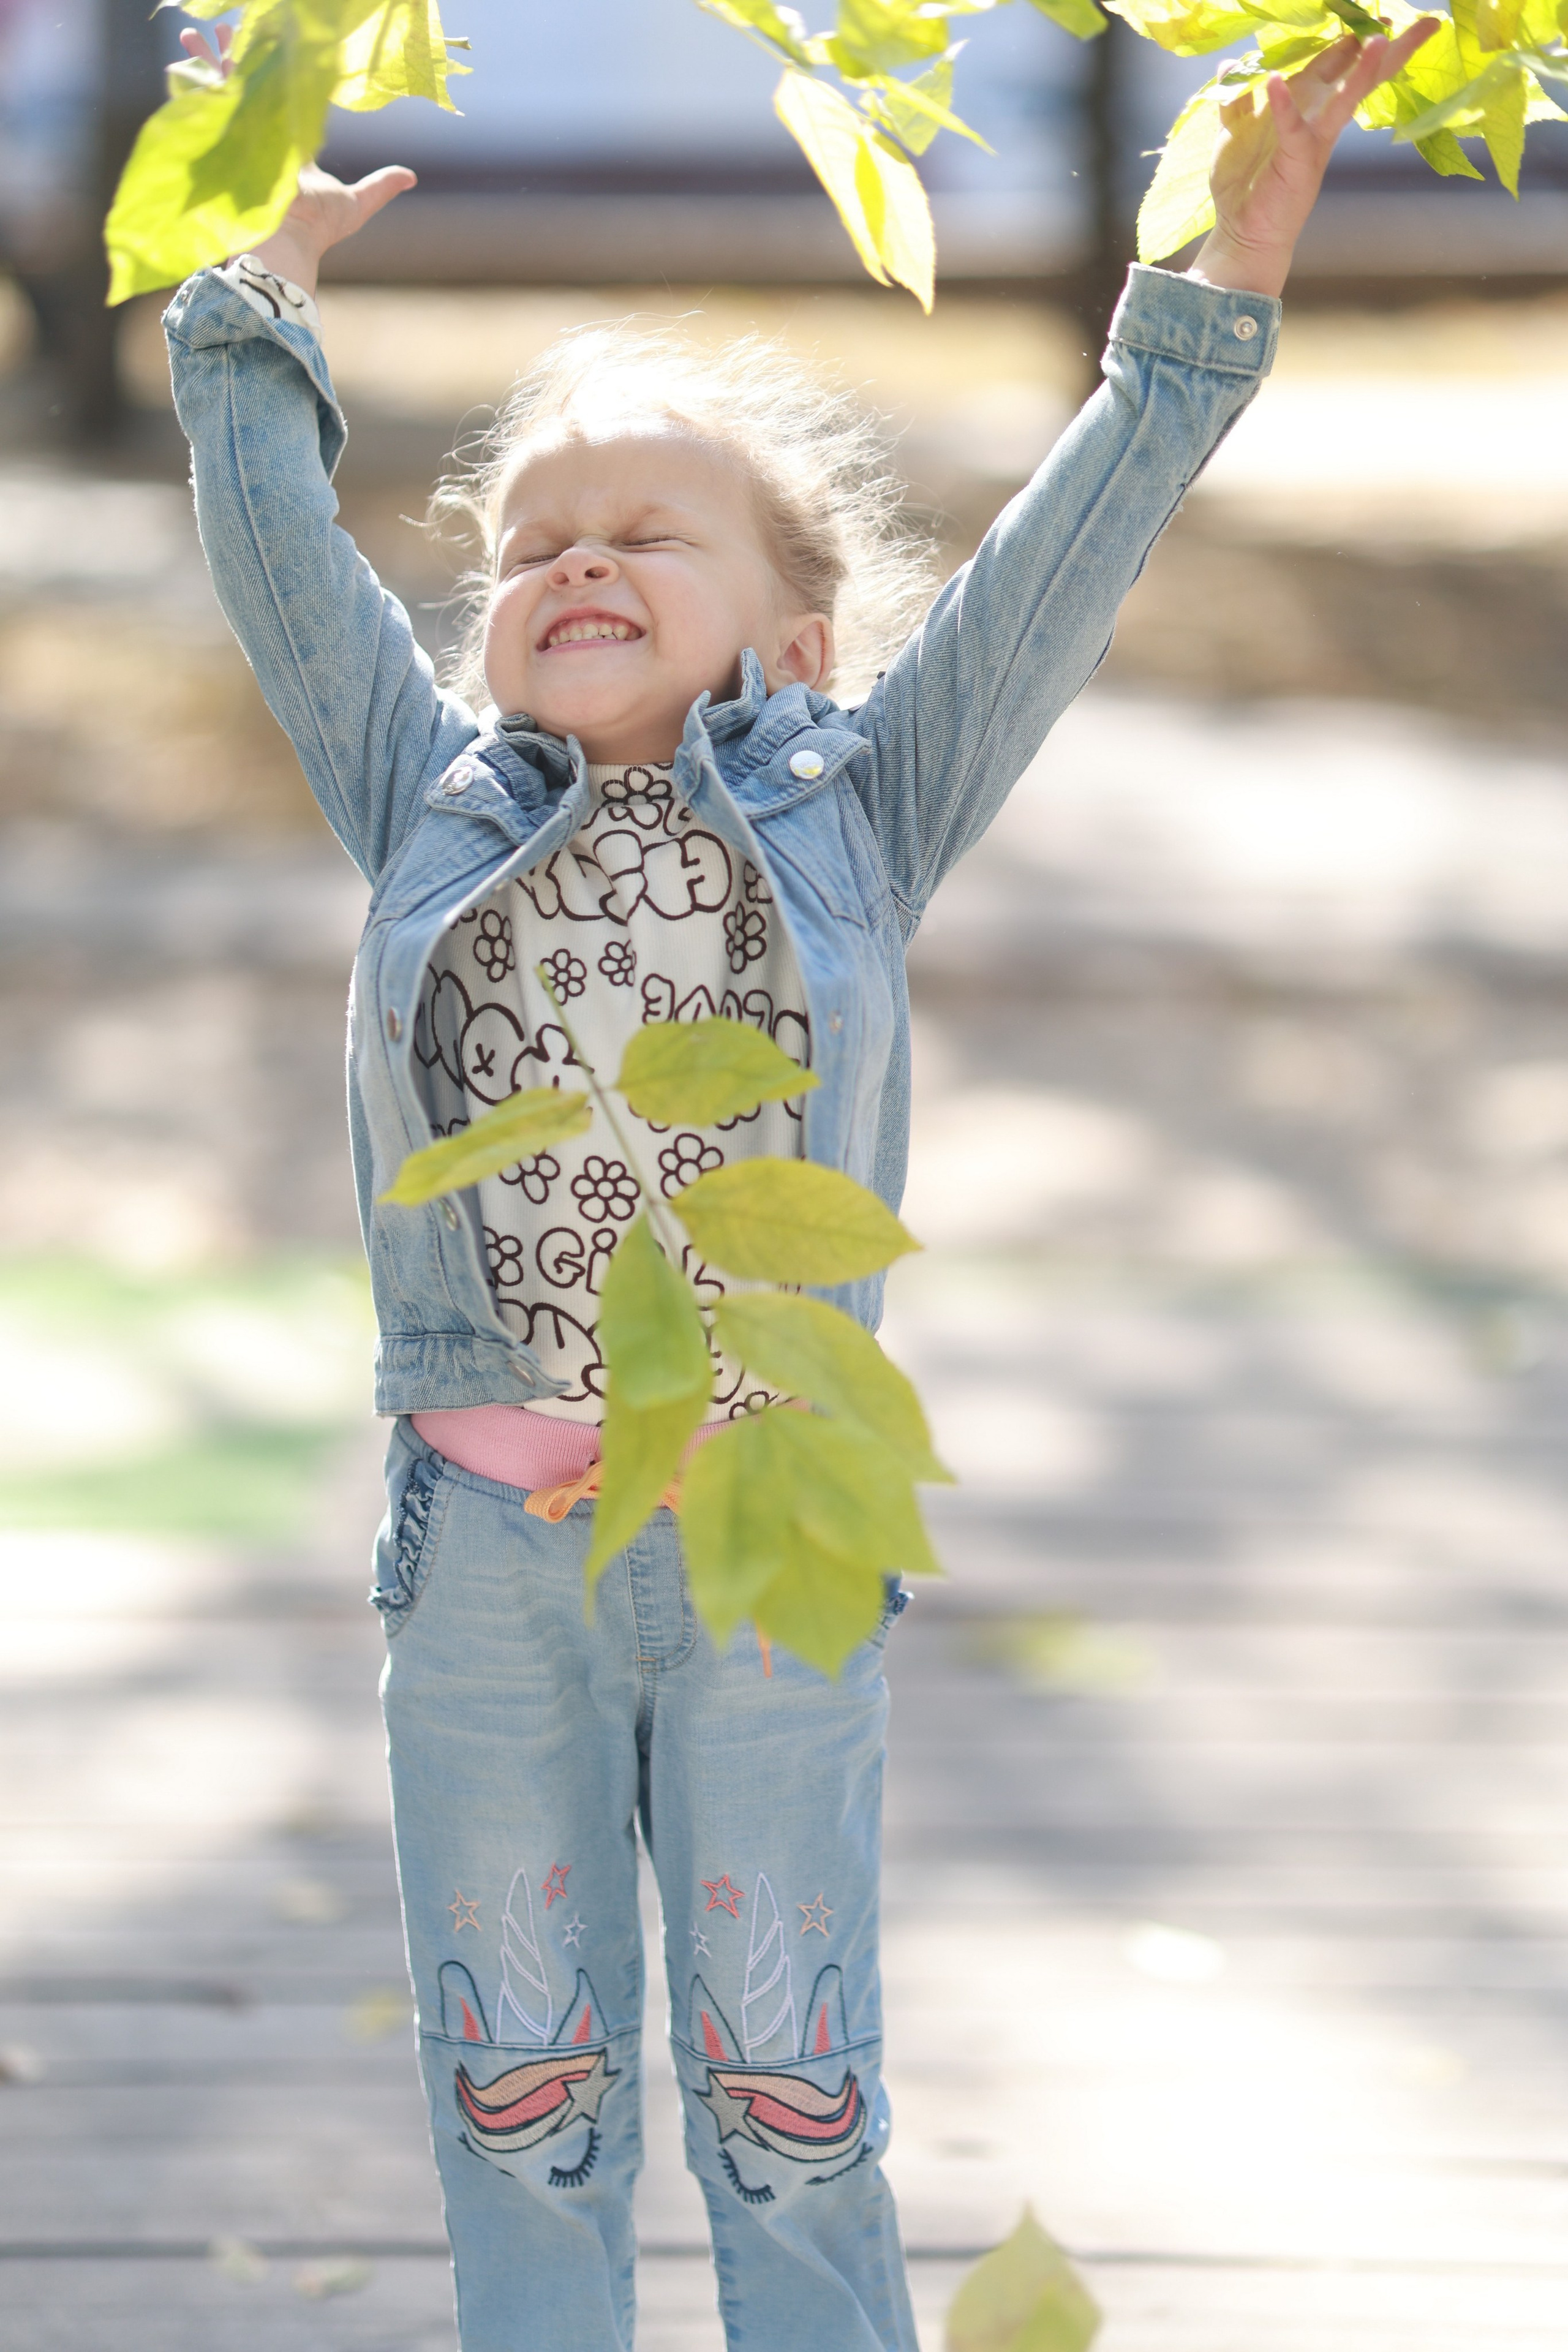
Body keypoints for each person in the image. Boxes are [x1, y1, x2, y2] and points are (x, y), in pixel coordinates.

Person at [164, 23, 1432, 2349]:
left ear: (801, 636)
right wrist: (251, 307)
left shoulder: (862, 801)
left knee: (789, 2092)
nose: (574, 562)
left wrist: (1213, 297)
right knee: (520, 2103)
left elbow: (1073, 555)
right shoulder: (424, 793)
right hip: (488, 1559)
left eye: (648, 532)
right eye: (535, 544)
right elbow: (274, 565)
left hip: (773, 1541)